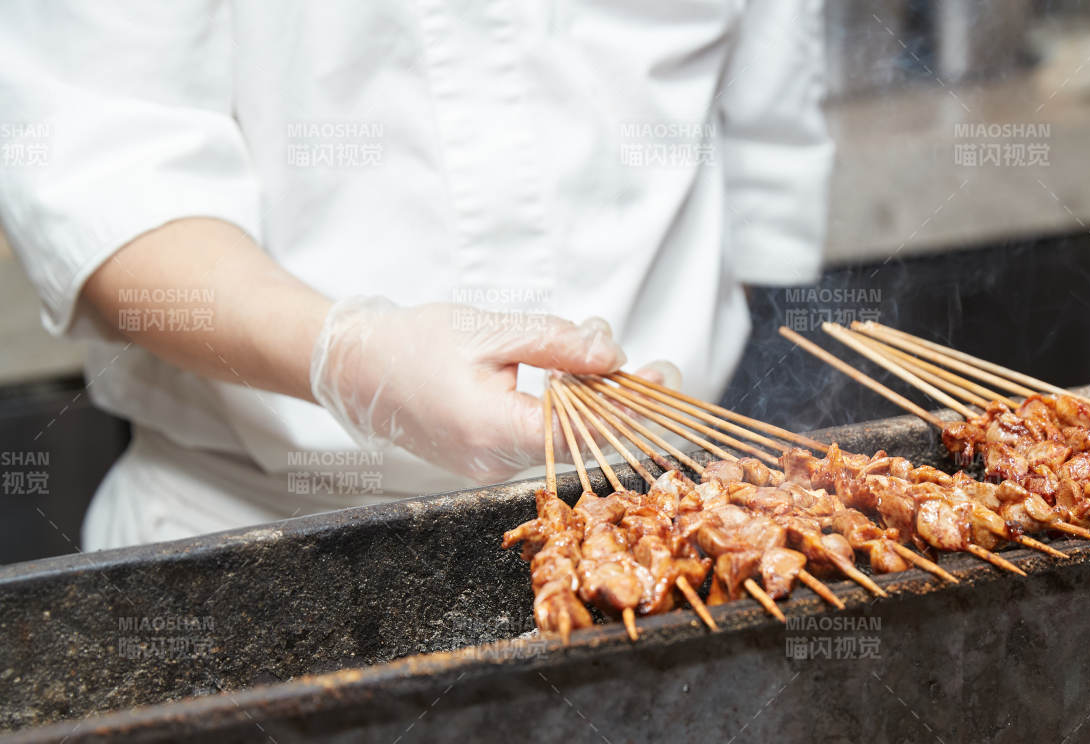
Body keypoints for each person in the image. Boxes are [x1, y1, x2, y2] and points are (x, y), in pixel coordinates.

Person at [0, 2, 832, 550]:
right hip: (267, 540)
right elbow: (106, 170)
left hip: (674, 537)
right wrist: (349, 356)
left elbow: (766, 151)